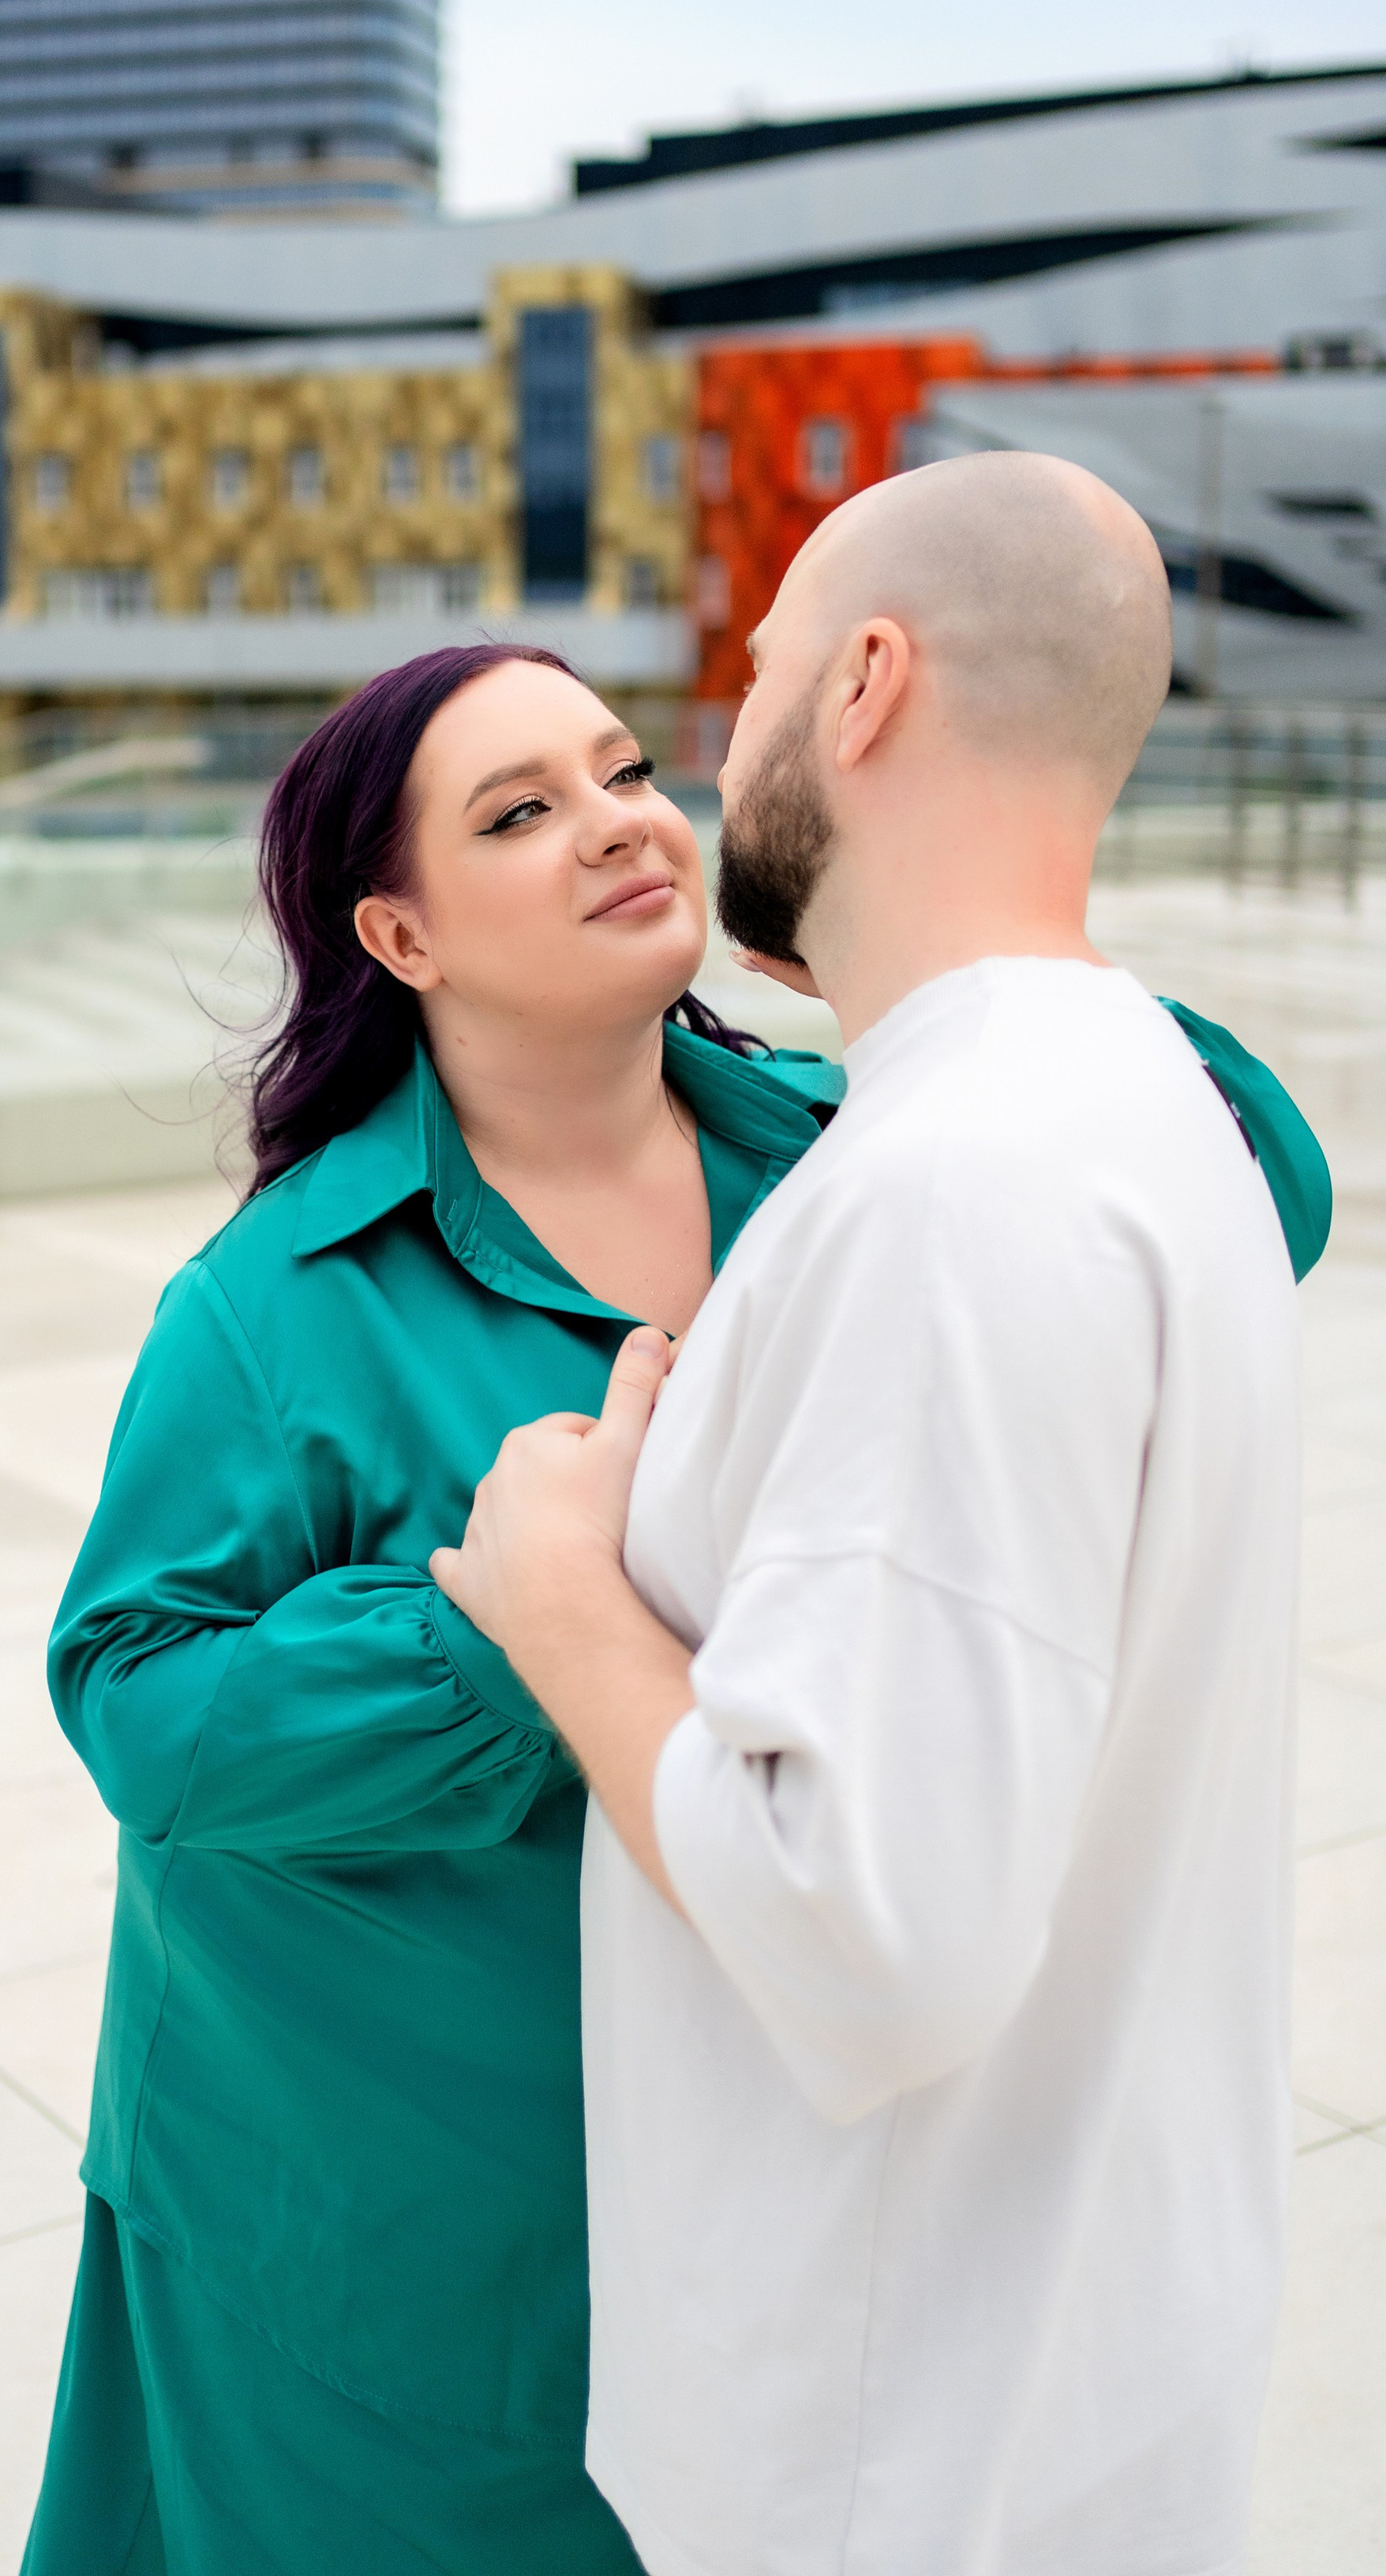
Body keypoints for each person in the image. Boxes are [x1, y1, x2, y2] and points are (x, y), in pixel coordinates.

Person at [24, 630, 1324, 2576]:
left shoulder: (848, 1152)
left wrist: (957, 973)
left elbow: (1226, 1195)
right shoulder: (278, 1303)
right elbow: (134, 1699)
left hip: (754, 2134)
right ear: (398, 939)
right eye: (518, 812)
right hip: (395, 2177)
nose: (618, 826)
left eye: (625, 772)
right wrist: (496, 1629)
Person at [431, 454, 1324, 2576]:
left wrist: (569, 1606)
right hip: (1048, 2381)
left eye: (748, 687)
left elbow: (869, 1934)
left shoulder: (952, 1191)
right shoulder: (1118, 1107)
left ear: (868, 690)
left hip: (903, 2455)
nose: (711, 761)